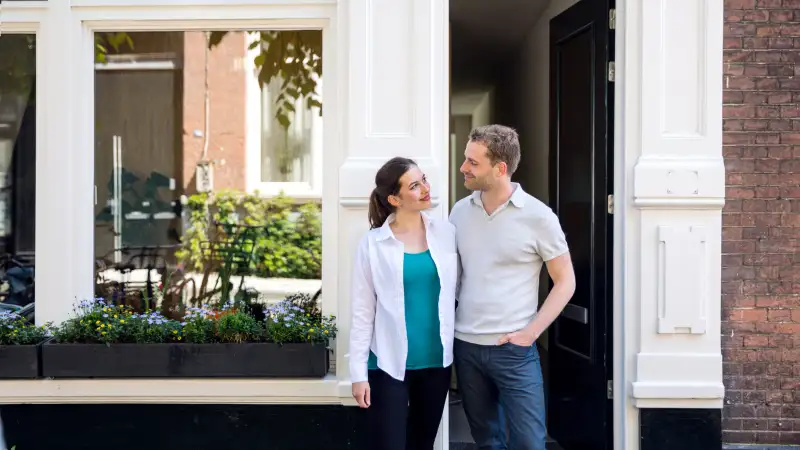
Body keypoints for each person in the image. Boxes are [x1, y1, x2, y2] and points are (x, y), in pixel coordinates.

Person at [449, 125, 576, 450]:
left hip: (514, 351)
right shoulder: (459, 213)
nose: (463, 167)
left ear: (500, 168)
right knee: (487, 441)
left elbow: (566, 281)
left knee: (529, 443)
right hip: (466, 347)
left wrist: (531, 332)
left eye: (473, 162)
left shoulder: (538, 217)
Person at [349, 156, 458, 450]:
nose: (425, 188)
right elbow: (362, 312)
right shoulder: (373, 244)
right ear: (394, 198)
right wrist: (357, 374)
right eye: (415, 185)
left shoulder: (447, 234)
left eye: (424, 180)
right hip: (387, 365)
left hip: (437, 363)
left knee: (422, 445)